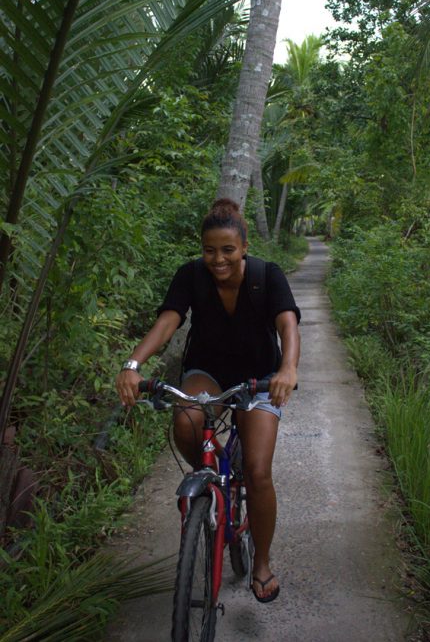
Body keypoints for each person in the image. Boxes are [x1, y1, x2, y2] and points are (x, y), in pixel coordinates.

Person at [116, 198, 300, 603]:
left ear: (244, 247)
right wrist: (133, 363)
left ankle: (262, 563)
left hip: (260, 378)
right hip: (208, 372)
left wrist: (287, 371)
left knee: (258, 471)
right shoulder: (191, 276)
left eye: (228, 250)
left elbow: (287, 323)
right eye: (210, 250)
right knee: (186, 422)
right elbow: (168, 321)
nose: (219, 259)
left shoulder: (267, 276)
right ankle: (212, 466)